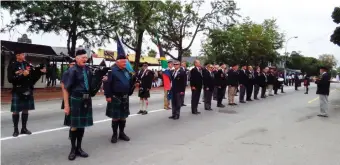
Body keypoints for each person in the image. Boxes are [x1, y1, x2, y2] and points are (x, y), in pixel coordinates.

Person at [62, 49, 94, 160]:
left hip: (86, 100)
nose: (85, 59)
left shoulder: (88, 70)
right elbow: (65, 89)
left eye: (86, 57)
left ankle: (79, 148)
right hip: (75, 100)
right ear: (76, 58)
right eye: (83, 57)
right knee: (74, 126)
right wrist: (66, 105)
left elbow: (91, 86)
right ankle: (73, 149)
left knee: (82, 125)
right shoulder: (72, 71)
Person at [7, 51, 46, 137]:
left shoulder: (27, 64)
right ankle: (16, 130)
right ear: (17, 56)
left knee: (25, 109)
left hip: (27, 89)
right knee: (16, 111)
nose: (24, 56)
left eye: (24, 54)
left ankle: (24, 128)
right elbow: (10, 79)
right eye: (22, 54)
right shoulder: (12, 65)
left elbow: (33, 75)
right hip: (17, 90)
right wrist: (22, 75)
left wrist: (40, 72)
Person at [104, 55, 136, 144]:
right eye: (123, 62)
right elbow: (107, 84)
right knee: (115, 117)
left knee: (123, 116)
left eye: (125, 62)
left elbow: (129, 82)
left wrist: (132, 85)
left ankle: (121, 133)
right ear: (117, 62)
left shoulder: (126, 71)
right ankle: (114, 134)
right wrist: (108, 96)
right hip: (115, 97)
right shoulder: (112, 71)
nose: (125, 63)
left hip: (125, 96)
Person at [61, 59, 75, 139]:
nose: (73, 66)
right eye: (72, 64)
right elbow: (63, 86)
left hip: (76, 96)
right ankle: (71, 132)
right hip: (69, 96)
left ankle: (72, 131)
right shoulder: (67, 73)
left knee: (74, 117)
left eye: (74, 64)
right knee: (70, 116)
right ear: (69, 65)